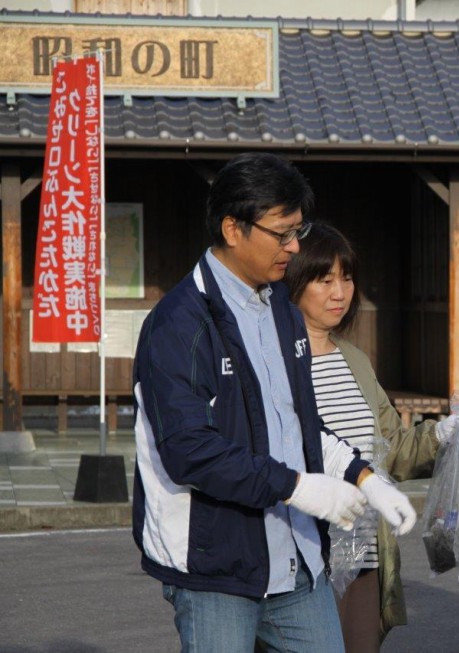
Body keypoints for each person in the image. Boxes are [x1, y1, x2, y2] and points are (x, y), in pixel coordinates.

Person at [131, 153, 416, 653]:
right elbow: (191, 452)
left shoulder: (282, 308)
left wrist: (364, 478)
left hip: (297, 557)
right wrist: (300, 488)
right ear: (233, 229)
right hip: (215, 568)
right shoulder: (178, 326)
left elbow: (301, 423)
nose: (295, 246)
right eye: (282, 233)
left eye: (297, 230)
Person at [284, 222, 459, 650]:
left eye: (346, 278)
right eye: (323, 280)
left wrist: (446, 431)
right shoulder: (277, 364)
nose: (339, 293)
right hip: (300, 556)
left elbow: (394, 451)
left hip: (364, 555)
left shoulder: (355, 360)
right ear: (293, 284)